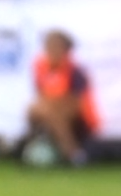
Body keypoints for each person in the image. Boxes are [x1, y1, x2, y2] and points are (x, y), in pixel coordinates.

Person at [27, 30, 99, 166]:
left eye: (55, 46)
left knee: (53, 114)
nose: (51, 51)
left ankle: (73, 153)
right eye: (48, 47)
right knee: (34, 110)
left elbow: (77, 101)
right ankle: (34, 147)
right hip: (48, 110)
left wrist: (52, 105)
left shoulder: (75, 72)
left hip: (78, 116)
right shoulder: (41, 69)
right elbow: (41, 94)